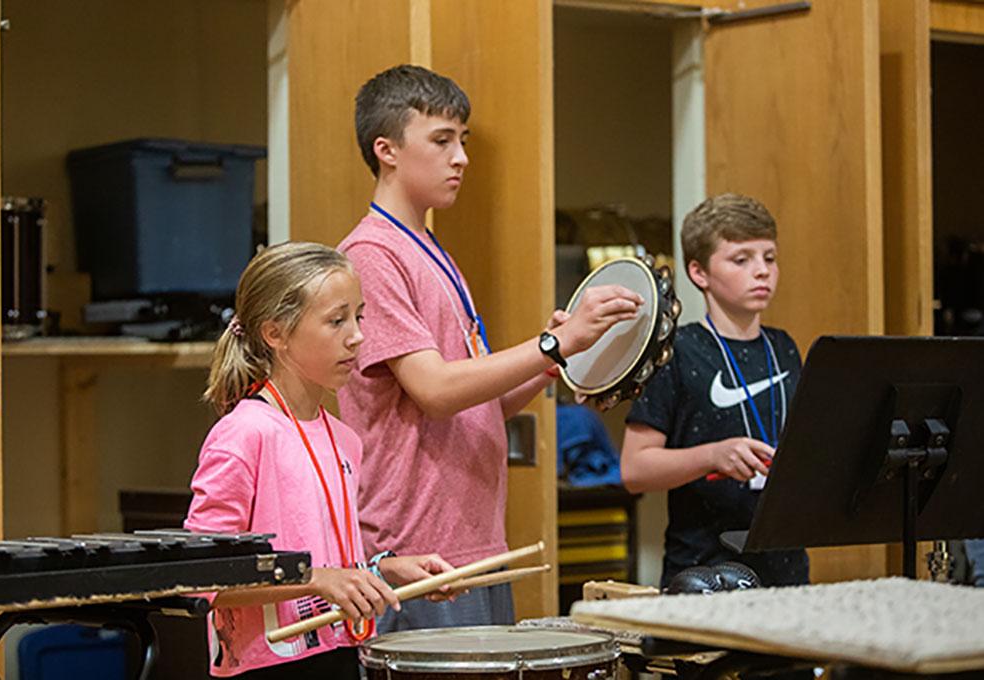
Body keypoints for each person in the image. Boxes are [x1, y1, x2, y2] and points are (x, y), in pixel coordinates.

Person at [337, 64, 644, 632]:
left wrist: (559, 359)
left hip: (475, 542)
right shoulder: (372, 256)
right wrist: (553, 342)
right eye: (442, 140)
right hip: (417, 552)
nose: (462, 158)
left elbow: (479, 404)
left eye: (463, 141)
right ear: (387, 150)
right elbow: (434, 391)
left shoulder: (430, 250)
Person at [184, 242, 453, 679]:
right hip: (267, 667)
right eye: (336, 321)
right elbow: (201, 579)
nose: (357, 336)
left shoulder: (343, 438)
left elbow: (330, 565)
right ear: (276, 334)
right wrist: (314, 579)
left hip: (340, 656)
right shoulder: (244, 433)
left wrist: (382, 570)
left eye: (358, 316)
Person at [620, 193, 809, 589]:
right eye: (742, 260)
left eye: (769, 258)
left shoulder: (785, 347)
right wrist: (713, 456)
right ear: (699, 272)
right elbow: (635, 470)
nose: (762, 272)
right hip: (703, 572)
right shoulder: (676, 351)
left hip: (786, 572)